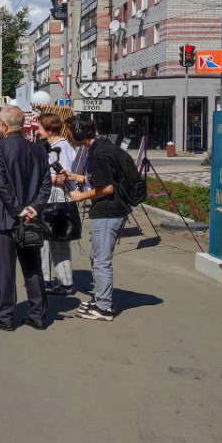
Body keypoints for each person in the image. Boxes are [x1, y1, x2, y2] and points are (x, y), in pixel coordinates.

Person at [0, 107, 51, 331]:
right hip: (31, 217)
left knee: (4, 269)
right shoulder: (39, 149)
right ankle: (38, 315)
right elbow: (46, 184)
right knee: (33, 267)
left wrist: (18, 209)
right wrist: (33, 208)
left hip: (6, 218)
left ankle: (4, 316)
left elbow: (1, 183)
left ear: (4, 126)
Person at [61, 116, 130, 321]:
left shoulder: (99, 153)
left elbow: (107, 188)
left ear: (80, 132)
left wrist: (81, 196)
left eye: (70, 132)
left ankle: (104, 308)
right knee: (96, 256)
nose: (69, 136)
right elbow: (104, 177)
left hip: (108, 211)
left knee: (101, 261)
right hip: (109, 210)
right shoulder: (101, 147)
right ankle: (102, 298)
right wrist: (77, 177)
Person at [38, 113, 77, 296]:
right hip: (51, 196)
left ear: (49, 129)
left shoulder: (61, 147)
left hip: (58, 197)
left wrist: (45, 177)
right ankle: (48, 280)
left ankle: (64, 283)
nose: (37, 130)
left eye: (40, 127)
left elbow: (65, 177)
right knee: (47, 240)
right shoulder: (52, 146)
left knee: (57, 241)